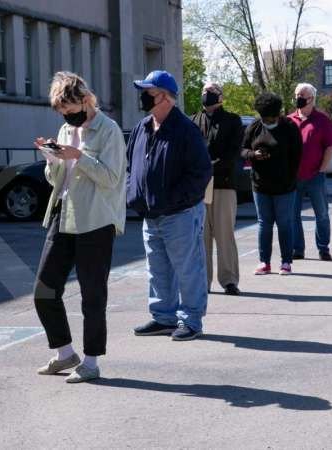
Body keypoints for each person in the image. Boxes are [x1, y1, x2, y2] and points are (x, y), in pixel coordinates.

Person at [33, 71, 127, 383]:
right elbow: (55, 179)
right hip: (64, 214)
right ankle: (64, 353)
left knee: (92, 294)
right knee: (44, 290)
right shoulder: (63, 129)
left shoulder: (108, 130)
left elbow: (112, 179)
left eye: (71, 111)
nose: (67, 118)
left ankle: (90, 362)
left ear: (86, 101)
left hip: (96, 220)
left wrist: (79, 157)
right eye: (62, 113)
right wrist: (52, 159)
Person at [127, 70, 212, 341]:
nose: (143, 97)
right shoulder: (142, 127)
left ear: (164, 97)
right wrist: (134, 193)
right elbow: (131, 166)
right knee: (157, 269)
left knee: (188, 269)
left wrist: (175, 199)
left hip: (180, 214)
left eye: (148, 92)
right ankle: (163, 317)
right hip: (151, 215)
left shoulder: (186, 129)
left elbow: (200, 174)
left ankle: (191, 321)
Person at [242, 92, 302, 275]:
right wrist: (253, 155)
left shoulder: (290, 127)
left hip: (285, 186)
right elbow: (243, 149)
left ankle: (286, 262)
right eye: (264, 118)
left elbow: (297, 155)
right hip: (260, 186)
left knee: (284, 223)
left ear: (278, 115)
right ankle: (264, 262)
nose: (267, 122)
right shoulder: (254, 127)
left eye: (270, 119)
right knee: (264, 224)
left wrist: (290, 178)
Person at [191, 82, 242, 296]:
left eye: (211, 92)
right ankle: (203, 281)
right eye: (204, 91)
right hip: (199, 188)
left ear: (220, 96)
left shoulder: (232, 121)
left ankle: (229, 280)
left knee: (224, 234)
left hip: (223, 183)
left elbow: (233, 153)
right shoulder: (192, 121)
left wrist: (210, 166)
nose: (206, 94)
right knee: (201, 237)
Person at [288, 83, 332, 261]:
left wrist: (322, 168)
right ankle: (297, 249)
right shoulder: (288, 120)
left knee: (321, 213)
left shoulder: (323, 121)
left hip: (315, 176)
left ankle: (323, 248)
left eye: (302, 95)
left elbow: (331, 146)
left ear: (312, 99)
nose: (298, 98)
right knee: (293, 214)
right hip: (293, 177)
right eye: (297, 95)